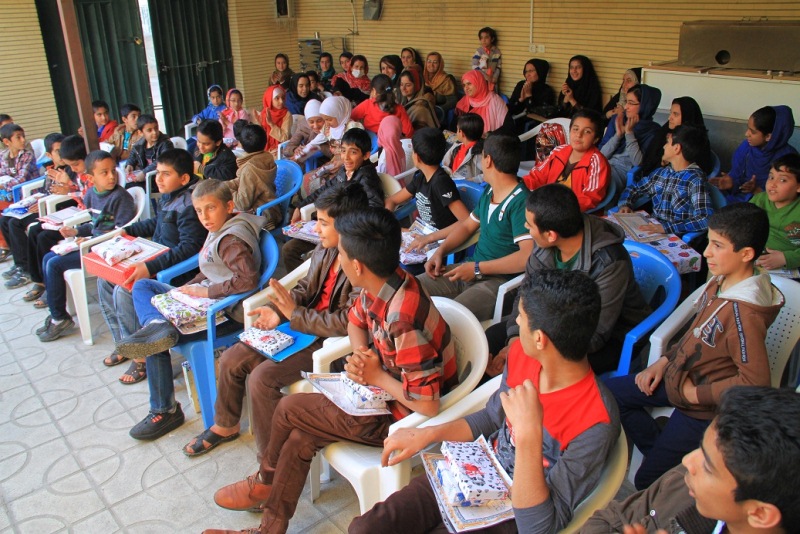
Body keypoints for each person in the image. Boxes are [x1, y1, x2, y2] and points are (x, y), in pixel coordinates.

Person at [204, 206, 458, 534]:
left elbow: (428, 404)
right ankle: (269, 528)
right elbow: (355, 321)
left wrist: (376, 376)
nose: (337, 259)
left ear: (356, 265)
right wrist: (364, 355)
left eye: (342, 254)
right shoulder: (384, 283)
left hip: (401, 417)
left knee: (289, 408)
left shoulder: (403, 319)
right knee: (299, 438)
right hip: (381, 391)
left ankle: (266, 480)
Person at [351, 269, 621, 534]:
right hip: (474, 471)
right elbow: (492, 417)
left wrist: (528, 436)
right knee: (367, 528)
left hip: (514, 513)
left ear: (540, 339)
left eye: (521, 317)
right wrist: (427, 434)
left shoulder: (595, 421)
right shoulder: (522, 354)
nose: (516, 323)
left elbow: (539, 526)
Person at [605, 202, 784, 490]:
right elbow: (696, 333)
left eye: (717, 245)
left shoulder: (744, 312)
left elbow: (755, 382)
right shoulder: (722, 280)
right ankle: (664, 454)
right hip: (679, 375)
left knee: (645, 481)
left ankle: (669, 466)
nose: (707, 252)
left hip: (702, 405)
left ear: (746, 254)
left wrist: (696, 394)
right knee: (609, 394)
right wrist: (663, 361)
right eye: (709, 242)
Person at [182, 182, 366, 457]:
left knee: (261, 378)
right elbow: (305, 288)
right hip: (301, 326)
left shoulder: (362, 262)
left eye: (323, 223)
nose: (316, 229)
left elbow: (348, 322)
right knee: (232, 358)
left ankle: (271, 462)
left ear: (347, 225)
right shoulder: (326, 248)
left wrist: (294, 315)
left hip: (327, 343)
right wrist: (277, 311)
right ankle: (226, 425)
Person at [117, 179, 266, 440]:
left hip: (223, 314)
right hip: (205, 302)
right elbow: (212, 268)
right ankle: (156, 325)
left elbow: (247, 280)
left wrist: (205, 292)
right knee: (143, 287)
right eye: (199, 211)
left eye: (211, 208)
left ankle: (164, 410)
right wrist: (189, 287)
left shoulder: (231, 240)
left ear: (228, 206)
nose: (205, 217)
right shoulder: (219, 227)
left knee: (155, 341)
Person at [580, 386, 800, 534]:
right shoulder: (683, 485)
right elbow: (608, 519)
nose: (687, 461)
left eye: (708, 466)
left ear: (760, 514)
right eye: (700, 448)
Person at [484, 184, 650, 377]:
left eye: (529, 225)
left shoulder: (610, 262)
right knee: (492, 340)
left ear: (551, 235)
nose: (526, 228)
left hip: (606, 337)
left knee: (533, 367)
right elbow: (526, 293)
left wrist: (529, 348)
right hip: (552, 319)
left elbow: (597, 334)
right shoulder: (544, 244)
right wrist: (515, 338)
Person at [98, 148, 206, 384]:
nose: (158, 179)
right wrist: (126, 231)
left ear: (184, 178)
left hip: (176, 273)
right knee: (105, 280)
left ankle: (141, 356)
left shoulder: (190, 204)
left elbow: (189, 248)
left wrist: (150, 267)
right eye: (158, 173)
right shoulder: (170, 196)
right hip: (158, 260)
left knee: (123, 290)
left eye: (166, 174)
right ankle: (125, 342)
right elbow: (157, 223)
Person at [418, 134, 533, 322]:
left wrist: (478, 268)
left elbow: (526, 257)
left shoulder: (522, 202)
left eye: (482, 156)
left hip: (498, 282)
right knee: (411, 288)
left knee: (449, 319)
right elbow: (466, 227)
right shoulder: (490, 191)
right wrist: (440, 252)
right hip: (471, 269)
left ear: (488, 160)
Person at [36, 150, 137, 342]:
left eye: (113, 170)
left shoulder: (121, 197)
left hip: (108, 251)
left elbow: (122, 234)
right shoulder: (91, 195)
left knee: (55, 264)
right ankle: (56, 311)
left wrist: (92, 241)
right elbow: (96, 225)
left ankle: (59, 318)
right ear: (90, 178)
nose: (111, 176)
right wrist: (76, 232)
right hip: (93, 244)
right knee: (48, 257)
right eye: (104, 172)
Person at [285, 128, 384, 272]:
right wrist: (300, 206)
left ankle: (317, 281)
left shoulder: (367, 178)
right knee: (289, 250)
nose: (346, 157)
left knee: (318, 258)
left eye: (353, 152)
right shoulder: (344, 171)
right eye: (343, 151)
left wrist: (345, 226)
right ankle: (308, 282)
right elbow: (324, 189)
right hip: (330, 228)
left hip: (347, 235)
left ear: (366, 155)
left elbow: (375, 209)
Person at [385, 128, 470, 269]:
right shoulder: (420, 178)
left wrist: (429, 238)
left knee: (399, 265)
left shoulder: (441, 183)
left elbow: (466, 220)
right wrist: (389, 225)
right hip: (423, 235)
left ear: (417, 157)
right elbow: (392, 200)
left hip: (445, 244)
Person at [23, 135, 91, 307]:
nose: (73, 169)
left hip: (83, 224)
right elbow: (84, 198)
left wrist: (69, 190)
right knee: (35, 230)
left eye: (75, 165)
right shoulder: (81, 175)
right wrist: (70, 189)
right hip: (78, 219)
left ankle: (50, 288)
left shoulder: (92, 177)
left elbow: (92, 206)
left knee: (44, 238)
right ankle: (41, 281)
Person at [617, 125, 713, 237]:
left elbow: (705, 218)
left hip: (674, 236)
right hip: (651, 228)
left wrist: (666, 228)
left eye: (667, 142)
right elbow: (634, 188)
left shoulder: (695, 180)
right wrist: (625, 205)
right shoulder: (662, 173)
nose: (664, 146)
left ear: (676, 148)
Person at [1, 133, 65, 286]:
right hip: (42, 203)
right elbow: (45, 191)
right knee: (5, 220)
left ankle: (27, 269)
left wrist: (42, 202)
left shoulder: (66, 171)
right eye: (58, 151)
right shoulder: (51, 169)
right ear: (49, 155)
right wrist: (34, 201)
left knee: (15, 224)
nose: (63, 154)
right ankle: (20, 264)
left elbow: (65, 195)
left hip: (52, 208)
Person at [523, 109, 610, 212]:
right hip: (547, 206)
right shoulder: (559, 151)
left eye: (587, 132)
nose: (579, 135)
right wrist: (519, 186)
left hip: (573, 213)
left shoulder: (597, 162)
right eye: (575, 129)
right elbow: (536, 176)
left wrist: (559, 207)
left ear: (596, 139)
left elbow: (590, 198)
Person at [710, 105, 797, 204]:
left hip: (767, 204)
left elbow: (787, 198)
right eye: (748, 128)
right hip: (738, 198)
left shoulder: (788, 158)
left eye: (753, 132)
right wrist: (732, 184)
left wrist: (756, 190)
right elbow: (736, 175)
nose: (746, 134)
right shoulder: (746, 148)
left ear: (768, 136)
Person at [599, 84, 662, 193]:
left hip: (623, 173)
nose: (626, 107)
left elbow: (638, 163)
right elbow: (601, 155)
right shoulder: (618, 119)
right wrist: (618, 135)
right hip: (604, 165)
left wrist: (629, 133)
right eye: (626, 102)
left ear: (645, 106)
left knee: (600, 181)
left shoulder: (653, 131)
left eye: (631, 103)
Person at [640, 96, 714, 177]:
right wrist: (662, 163)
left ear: (687, 116)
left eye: (675, 114)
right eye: (670, 113)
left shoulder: (697, 143)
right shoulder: (664, 133)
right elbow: (648, 162)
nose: (669, 118)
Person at [751, 154, 800, 271]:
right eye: (771, 177)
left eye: (782, 180)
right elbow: (740, 222)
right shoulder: (760, 200)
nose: (772, 184)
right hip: (757, 257)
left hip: (792, 265)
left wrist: (785, 258)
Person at [226, 124, 279, 220]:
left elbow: (242, 204)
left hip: (264, 216)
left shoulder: (249, 169)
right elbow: (243, 181)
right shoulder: (267, 157)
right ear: (265, 141)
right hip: (271, 208)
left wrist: (227, 191)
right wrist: (224, 185)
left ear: (241, 145)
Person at [350, 74, 414, 137]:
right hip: (389, 142)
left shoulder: (367, 104)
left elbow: (350, 117)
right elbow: (409, 132)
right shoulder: (400, 109)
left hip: (369, 141)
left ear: (374, 91)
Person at [455, 70, 512, 135]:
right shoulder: (462, 103)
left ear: (479, 83)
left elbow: (508, 126)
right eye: (464, 85)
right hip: (465, 139)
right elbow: (454, 127)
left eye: (469, 84)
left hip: (490, 139)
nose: (466, 88)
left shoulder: (495, 101)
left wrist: (490, 135)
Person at [126, 114, 174, 188]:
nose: (154, 132)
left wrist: (144, 173)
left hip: (161, 179)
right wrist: (129, 164)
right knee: (127, 186)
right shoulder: (139, 144)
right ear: (140, 133)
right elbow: (133, 155)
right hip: (147, 179)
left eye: (156, 128)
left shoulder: (166, 143)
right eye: (149, 130)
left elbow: (162, 160)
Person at [282, 99, 331, 165]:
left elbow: (337, 153)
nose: (316, 126)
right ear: (307, 121)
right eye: (311, 122)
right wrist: (295, 150)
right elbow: (287, 149)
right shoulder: (303, 127)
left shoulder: (331, 126)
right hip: (306, 163)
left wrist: (318, 147)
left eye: (319, 121)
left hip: (327, 163)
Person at [0, 122, 38, 203]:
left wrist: (2, 186)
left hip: (30, 194)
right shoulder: (3, 155)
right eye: (18, 137)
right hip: (12, 193)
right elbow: (3, 173)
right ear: (6, 142)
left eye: (23, 136)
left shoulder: (27, 155)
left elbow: (22, 179)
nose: (23, 140)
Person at [442, 113, 485, 182]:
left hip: (467, 186)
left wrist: (472, 180)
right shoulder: (457, 146)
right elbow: (445, 164)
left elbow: (488, 174)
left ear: (461, 133)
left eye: (457, 129)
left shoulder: (478, 153)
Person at [255, 85, 292, 155]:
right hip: (265, 150)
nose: (281, 101)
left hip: (281, 149)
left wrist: (271, 124)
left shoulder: (287, 114)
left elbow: (285, 138)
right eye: (277, 98)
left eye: (283, 98)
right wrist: (259, 125)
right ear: (269, 100)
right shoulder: (264, 113)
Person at [472, 26, 502, 92]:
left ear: (492, 39)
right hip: (481, 79)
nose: (484, 40)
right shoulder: (479, 51)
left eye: (486, 37)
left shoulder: (496, 52)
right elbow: (474, 66)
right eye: (481, 38)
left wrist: (495, 77)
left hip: (492, 79)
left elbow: (498, 67)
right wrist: (485, 76)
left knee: (492, 94)